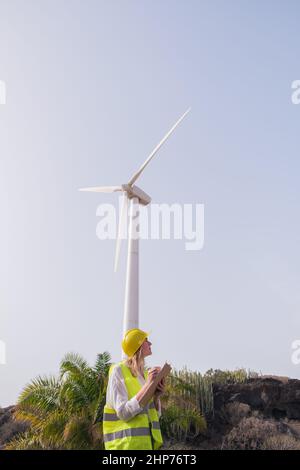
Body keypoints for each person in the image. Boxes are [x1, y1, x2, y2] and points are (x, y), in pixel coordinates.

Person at [103, 328, 165, 450]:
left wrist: (157, 396)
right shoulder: (118, 371)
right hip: (124, 447)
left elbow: (155, 416)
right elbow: (123, 412)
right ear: (139, 345)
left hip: (146, 446)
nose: (150, 343)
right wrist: (148, 386)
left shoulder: (145, 376)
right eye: (146, 340)